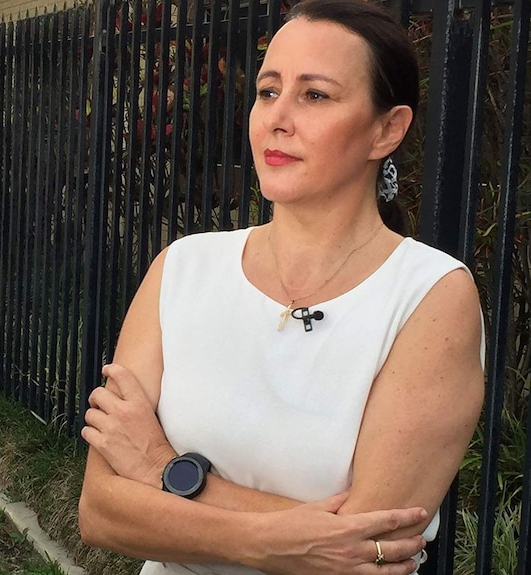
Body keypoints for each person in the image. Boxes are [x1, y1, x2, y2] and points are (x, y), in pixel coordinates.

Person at [78, 1, 485, 574]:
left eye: (315, 95)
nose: (278, 117)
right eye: (269, 91)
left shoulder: (430, 295)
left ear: (386, 129)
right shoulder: (182, 269)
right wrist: (281, 540)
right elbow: (100, 511)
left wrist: (164, 472)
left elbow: (368, 553)